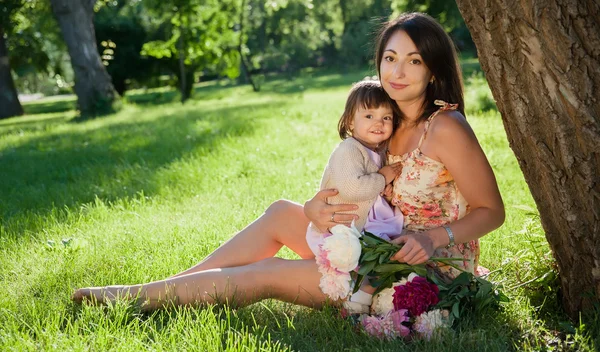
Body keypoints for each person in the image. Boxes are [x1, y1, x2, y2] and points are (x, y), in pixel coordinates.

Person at [72, 12, 504, 312]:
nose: (397, 71)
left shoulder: (445, 127)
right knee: (282, 211)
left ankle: (139, 297)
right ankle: (165, 288)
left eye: (414, 61)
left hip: (416, 270)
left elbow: (493, 211)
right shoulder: (387, 122)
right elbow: (358, 187)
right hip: (370, 243)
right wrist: (316, 209)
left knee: (267, 273)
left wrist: (434, 238)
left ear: (433, 70)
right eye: (390, 58)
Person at [305, 79, 404, 313]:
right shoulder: (348, 150)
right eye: (368, 116)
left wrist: (383, 191)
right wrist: (382, 177)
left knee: (387, 253)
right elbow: (354, 189)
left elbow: (368, 190)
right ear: (350, 121)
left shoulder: (375, 150)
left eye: (386, 117)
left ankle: (363, 294)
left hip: (360, 228)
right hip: (340, 232)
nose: (378, 123)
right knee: (382, 256)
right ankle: (359, 300)